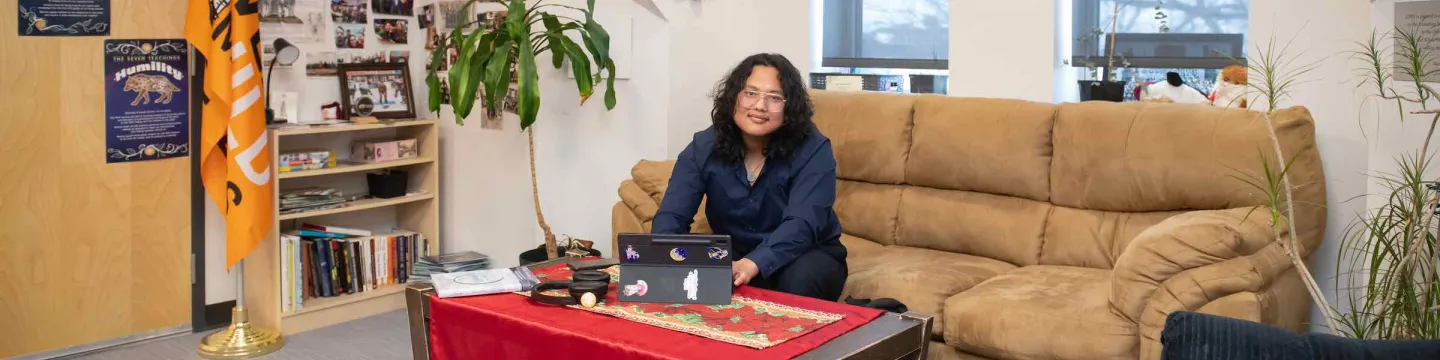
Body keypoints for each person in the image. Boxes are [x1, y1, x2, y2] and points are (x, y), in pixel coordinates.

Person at [651, 53, 846, 301]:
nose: (760, 106)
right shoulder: (704, 146)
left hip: (805, 255)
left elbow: (802, 225)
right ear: (734, 97)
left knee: (799, 281)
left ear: (789, 107)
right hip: (733, 256)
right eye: (750, 93)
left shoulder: (813, 149)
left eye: (774, 97)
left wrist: (753, 263)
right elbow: (672, 215)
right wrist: (662, 259)